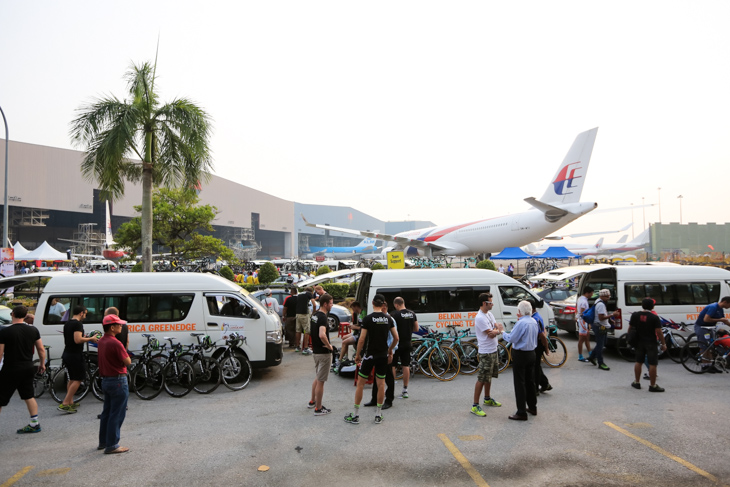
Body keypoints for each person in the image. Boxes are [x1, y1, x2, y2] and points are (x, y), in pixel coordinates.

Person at [344, 294, 398, 425]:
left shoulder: (368, 319)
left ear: (373, 303)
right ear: (383, 304)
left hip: (369, 356)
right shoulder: (388, 319)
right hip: (383, 355)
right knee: (381, 384)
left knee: (360, 384)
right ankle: (378, 415)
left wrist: (357, 355)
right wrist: (390, 350)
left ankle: (356, 415)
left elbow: (361, 339)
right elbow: (396, 338)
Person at [0, 306, 46, 434]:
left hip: (10, 368)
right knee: (29, 396)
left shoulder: (5, 332)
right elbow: (41, 350)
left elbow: (0, 353)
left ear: (12, 314)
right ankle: (34, 424)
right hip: (27, 367)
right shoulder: (33, 330)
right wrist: (42, 364)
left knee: (1, 398)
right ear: (26, 315)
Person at [98, 313, 132, 454]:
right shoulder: (115, 342)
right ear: (112, 327)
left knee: (107, 412)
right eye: (118, 324)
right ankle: (112, 444)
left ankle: (104, 441)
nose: (121, 326)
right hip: (118, 380)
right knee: (117, 413)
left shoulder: (102, 340)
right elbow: (127, 361)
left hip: (106, 379)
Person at [501, 300, 539, 421]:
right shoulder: (533, 321)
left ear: (519, 311)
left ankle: (521, 411)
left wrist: (502, 332)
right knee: (530, 381)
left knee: (520, 383)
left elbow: (512, 338)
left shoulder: (521, 323)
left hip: (521, 354)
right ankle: (532, 406)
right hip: (532, 353)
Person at [59, 305, 98, 413]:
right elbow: (77, 340)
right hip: (75, 354)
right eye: (85, 314)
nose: (85, 316)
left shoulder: (68, 323)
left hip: (67, 353)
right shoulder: (77, 324)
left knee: (72, 378)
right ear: (81, 313)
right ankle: (65, 403)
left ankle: (70, 401)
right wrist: (91, 338)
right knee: (78, 378)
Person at [471, 293, 503, 418]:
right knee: (482, 378)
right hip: (485, 351)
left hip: (493, 349)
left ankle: (487, 398)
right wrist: (498, 331)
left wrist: (496, 330)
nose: (492, 304)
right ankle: (475, 405)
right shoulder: (480, 317)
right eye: (490, 302)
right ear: (484, 303)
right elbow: (491, 333)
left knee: (489, 376)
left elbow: (496, 326)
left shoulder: (489, 314)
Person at [629, 298, 667, 392]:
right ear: (652, 306)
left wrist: (630, 338)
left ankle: (636, 382)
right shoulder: (654, 317)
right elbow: (659, 331)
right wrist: (663, 343)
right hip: (651, 342)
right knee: (652, 363)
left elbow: (630, 328)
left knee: (639, 361)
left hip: (638, 341)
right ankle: (652, 385)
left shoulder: (635, 315)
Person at [307, 294, 334, 416]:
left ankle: (313, 400)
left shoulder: (315, 315)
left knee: (318, 377)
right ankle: (318, 408)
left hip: (316, 351)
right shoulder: (322, 317)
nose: (332, 305)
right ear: (325, 304)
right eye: (331, 303)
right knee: (321, 380)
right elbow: (322, 334)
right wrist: (329, 346)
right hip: (323, 353)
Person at [366, 301, 395, 410]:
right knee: (377, 377)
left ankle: (389, 400)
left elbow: (394, 338)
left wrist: (390, 351)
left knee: (388, 378)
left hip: (387, 352)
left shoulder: (389, 319)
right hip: (378, 352)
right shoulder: (380, 319)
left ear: (384, 308)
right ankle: (374, 399)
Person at [390, 297, 418, 399]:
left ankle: (391, 389)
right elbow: (416, 328)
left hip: (396, 343)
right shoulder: (412, 314)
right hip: (407, 343)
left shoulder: (394, 314)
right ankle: (405, 390)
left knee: (392, 365)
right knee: (405, 365)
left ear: (396, 305)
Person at [694, 296, 730, 373]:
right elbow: (706, 319)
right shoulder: (713, 307)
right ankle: (704, 366)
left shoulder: (720, 309)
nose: (729, 307)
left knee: (710, 347)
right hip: (702, 327)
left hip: (710, 328)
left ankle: (710, 365)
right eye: (729, 305)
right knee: (704, 346)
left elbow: (725, 321)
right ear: (725, 302)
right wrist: (720, 319)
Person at [587, 289, 619, 371]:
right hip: (599, 326)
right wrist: (612, 315)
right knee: (600, 345)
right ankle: (600, 363)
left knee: (602, 343)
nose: (608, 298)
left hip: (600, 325)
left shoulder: (598, 301)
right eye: (607, 297)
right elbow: (601, 318)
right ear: (603, 296)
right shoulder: (601, 304)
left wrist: (609, 320)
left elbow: (602, 315)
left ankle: (592, 357)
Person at [335, 301, 363, 371]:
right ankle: (346, 357)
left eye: (353, 309)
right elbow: (360, 325)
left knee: (345, 342)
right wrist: (353, 326)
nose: (353, 311)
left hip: (360, 334)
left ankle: (340, 360)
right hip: (357, 332)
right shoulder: (359, 314)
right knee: (344, 337)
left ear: (356, 307)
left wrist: (355, 327)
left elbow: (364, 327)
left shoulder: (363, 314)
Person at [532, 303, 552, 394]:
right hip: (536, 344)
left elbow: (542, 335)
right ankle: (544, 383)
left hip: (538, 344)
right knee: (536, 366)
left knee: (535, 367)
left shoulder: (536, 318)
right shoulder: (535, 316)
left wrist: (546, 348)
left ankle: (535, 389)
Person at [295, 287, 314, 354]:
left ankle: (297, 347)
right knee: (307, 330)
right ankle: (305, 348)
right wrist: (314, 312)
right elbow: (314, 303)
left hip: (297, 313)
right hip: (304, 314)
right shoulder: (309, 293)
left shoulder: (300, 294)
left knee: (298, 330)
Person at [576, 287, 593, 362]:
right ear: (587, 293)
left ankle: (591, 354)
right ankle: (580, 356)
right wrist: (588, 322)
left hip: (582, 321)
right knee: (582, 339)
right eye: (591, 293)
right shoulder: (583, 301)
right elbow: (583, 313)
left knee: (586, 338)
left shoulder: (580, 298)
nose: (592, 295)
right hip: (583, 321)